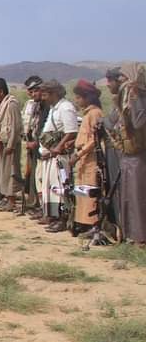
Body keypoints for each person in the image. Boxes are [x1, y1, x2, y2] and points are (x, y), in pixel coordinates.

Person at [106, 63, 146, 245]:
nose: (121, 80)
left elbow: (138, 122)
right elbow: (113, 121)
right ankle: (131, 235)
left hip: (138, 154)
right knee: (129, 196)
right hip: (128, 154)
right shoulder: (125, 95)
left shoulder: (135, 94)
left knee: (138, 197)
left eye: (123, 76)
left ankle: (140, 238)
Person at [37, 81, 78, 233]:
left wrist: (58, 148)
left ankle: (63, 219)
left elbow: (71, 132)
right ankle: (52, 215)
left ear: (54, 93)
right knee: (50, 186)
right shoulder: (55, 108)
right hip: (50, 155)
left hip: (59, 156)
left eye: (46, 94)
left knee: (60, 188)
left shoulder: (66, 108)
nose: (43, 97)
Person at [68, 80, 103, 234]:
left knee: (90, 192)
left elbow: (94, 140)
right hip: (83, 158)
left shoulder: (95, 113)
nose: (77, 100)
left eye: (79, 97)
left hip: (90, 159)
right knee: (81, 192)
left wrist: (79, 154)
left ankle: (92, 224)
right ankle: (82, 223)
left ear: (87, 97)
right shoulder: (87, 114)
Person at [0, 78, 22, 213]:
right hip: (0, 143)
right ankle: (5, 197)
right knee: (2, 173)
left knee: (10, 172)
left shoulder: (11, 104)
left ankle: (12, 200)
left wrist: (11, 144)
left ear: (1, 91)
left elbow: (15, 125)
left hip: (9, 144)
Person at [21, 77, 46, 216]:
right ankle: (34, 202)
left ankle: (43, 207)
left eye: (34, 91)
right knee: (33, 175)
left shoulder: (47, 105)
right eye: (31, 91)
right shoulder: (34, 105)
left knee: (41, 177)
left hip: (42, 146)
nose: (32, 94)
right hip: (32, 144)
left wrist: (36, 142)